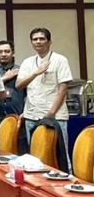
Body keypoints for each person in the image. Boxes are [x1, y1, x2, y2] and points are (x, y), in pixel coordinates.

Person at [16, 28, 72, 171]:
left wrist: (50, 114)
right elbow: (19, 85)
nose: (38, 42)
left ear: (49, 41)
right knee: (35, 158)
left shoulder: (60, 60)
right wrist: (35, 73)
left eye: (42, 39)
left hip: (55, 116)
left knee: (60, 156)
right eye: (35, 39)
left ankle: (66, 181)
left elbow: (63, 88)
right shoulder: (27, 62)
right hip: (31, 115)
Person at [0, 40, 26, 123]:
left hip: (18, 117)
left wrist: (26, 112)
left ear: (13, 53)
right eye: (0, 52)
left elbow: (29, 93)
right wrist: (4, 78)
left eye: (7, 51)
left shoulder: (22, 70)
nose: (3, 54)